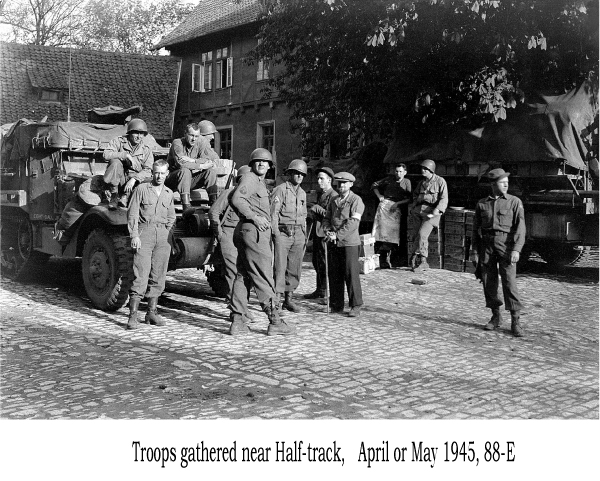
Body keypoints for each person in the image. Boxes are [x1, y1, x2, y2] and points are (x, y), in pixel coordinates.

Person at [228, 148, 295, 336]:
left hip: (249, 232)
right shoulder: (250, 178)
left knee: (243, 275)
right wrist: (255, 217)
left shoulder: (259, 182)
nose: (261, 164)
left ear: (270, 166)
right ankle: (274, 320)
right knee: (263, 275)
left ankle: (237, 320)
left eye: (265, 162)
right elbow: (237, 198)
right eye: (258, 161)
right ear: (252, 164)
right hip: (254, 233)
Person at [470, 168, 526, 337]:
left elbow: (520, 227)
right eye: (502, 182)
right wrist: (474, 251)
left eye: (507, 182)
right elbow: (475, 230)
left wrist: (516, 249)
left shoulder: (514, 202)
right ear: (493, 184)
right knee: (488, 281)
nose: (506, 185)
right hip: (486, 245)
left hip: (506, 245)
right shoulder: (482, 204)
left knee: (509, 281)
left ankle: (515, 321)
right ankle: (496, 317)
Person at [126, 159, 176, 330]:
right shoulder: (141, 189)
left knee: (159, 275)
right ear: (152, 172)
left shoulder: (169, 193)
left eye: (162, 173)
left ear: (167, 174)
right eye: (156, 172)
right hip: (144, 234)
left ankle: (151, 313)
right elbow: (132, 213)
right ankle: (132, 316)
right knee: (140, 273)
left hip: (163, 236)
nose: (159, 176)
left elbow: (172, 217)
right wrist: (134, 235)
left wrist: (165, 233)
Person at [208, 165, 255, 322]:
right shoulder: (229, 193)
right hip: (228, 234)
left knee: (244, 272)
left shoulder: (251, 196)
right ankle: (235, 308)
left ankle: (242, 306)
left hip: (244, 234)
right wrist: (219, 233)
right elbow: (214, 212)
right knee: (232, 271)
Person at [322, 172, 364, 317]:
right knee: (335, 274)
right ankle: (336, 304)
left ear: (351, 184)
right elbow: (327, 218)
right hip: (333, 242)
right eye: (339, 183)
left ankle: (355, 305)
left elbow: (353, 223)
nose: (341, 186)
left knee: (351, 274)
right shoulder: (333, 200)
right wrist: (327, 230)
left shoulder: (356, 200)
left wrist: (337, 235)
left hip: (349, 243)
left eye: (344, 183)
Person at [271, 158, 308, 312]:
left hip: (298, 233)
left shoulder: (303, 193)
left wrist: (304, 234)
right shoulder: (280, 189)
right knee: (280, 266)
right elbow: (273, 213)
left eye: (302, 174)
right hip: (283, 233)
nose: (299, 176)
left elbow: (304, 214)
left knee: (294, 266)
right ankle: (276, 300)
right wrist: (275, 234)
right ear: (290, 173)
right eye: (296, 173)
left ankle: (289, 299)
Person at [165, 121, 219, 212]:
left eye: (196, 136)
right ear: (185, 134)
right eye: (191, 135)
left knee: (211, 171)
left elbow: (210, 159)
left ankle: (214, 205)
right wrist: (201, 166)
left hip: (188, 181)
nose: (194, 139)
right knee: (185, 170)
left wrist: (193, 161)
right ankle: (186, 206)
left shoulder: (201, 142)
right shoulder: (177, 143)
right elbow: (181, 163)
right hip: (173, 180)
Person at [103, 118, 154, 209]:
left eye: (141, 133)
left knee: (150, 179)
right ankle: (114, 196)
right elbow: (106, 155)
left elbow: (148, 170)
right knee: (115, 162)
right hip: (118, 179)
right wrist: (125, 155)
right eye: (136, 133)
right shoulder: (118, 141)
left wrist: (134, 179)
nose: (138, 136)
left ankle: (126, 196)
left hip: (134, 183)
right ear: (129, 133)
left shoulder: (146, 149)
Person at [408, 159, 448, 272]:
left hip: (431, 213)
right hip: (419, 211)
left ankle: (423, 261)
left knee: (422, 235)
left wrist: (437, 210)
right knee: (415, 235)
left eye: (425, 169)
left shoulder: (440, 181)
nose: (423, 170)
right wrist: (413, 207)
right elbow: (415, 195)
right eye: (422, 168)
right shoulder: (422, 183)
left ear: (431, 170)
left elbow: (444, 199)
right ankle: (417, 258)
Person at [304, 167, 338, 299]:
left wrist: (318, 209)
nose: (319, 181)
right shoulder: (320, 194)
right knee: (317, 262)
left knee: (326, 263)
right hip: (318, 232)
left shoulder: (333, 195)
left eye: (321, 178)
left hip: (326, 233)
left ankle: (328, 293)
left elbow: (333, 216)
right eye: (318, 178)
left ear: (329, 180)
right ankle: (320, 289)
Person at [371, 163, 412, 268]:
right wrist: (379, 196)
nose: (398, 174)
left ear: (405, 172)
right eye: (397, 171)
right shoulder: (389, 179)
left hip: (395, 208)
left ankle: (389, 259)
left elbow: (409, 198)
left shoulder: (407, 182)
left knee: (393, 235)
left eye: (401, 171)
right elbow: (374, 185)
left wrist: (397, 203)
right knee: (381, 234)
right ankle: (381, 259)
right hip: (384, 207)